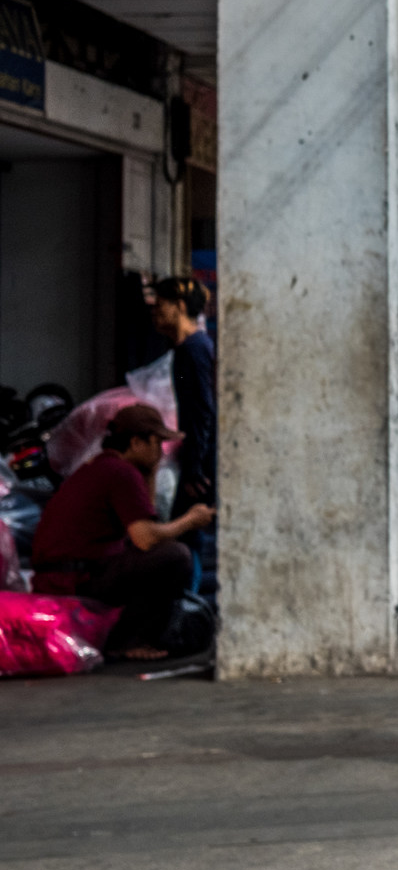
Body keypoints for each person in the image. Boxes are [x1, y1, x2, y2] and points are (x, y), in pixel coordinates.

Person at [29, 405, 213, 661]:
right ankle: (128, 641)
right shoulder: (120, 473)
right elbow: (146, 538)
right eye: (156, 444)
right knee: (175, 557)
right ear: (137, 442)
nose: (160, 453)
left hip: (64, 576)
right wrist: (190, 520)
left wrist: (151, 471)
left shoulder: (104, 467)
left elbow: (143, 522)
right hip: (73, 579)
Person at [150, 274, 217, 596]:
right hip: (195, 454)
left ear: (178, 307)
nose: (155, 312)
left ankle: (184, 606)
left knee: (188, 533)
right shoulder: (186, 349)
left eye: (160, 305)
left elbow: (201, 410)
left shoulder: (194, 349)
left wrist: (194, 468)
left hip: (199, 459)